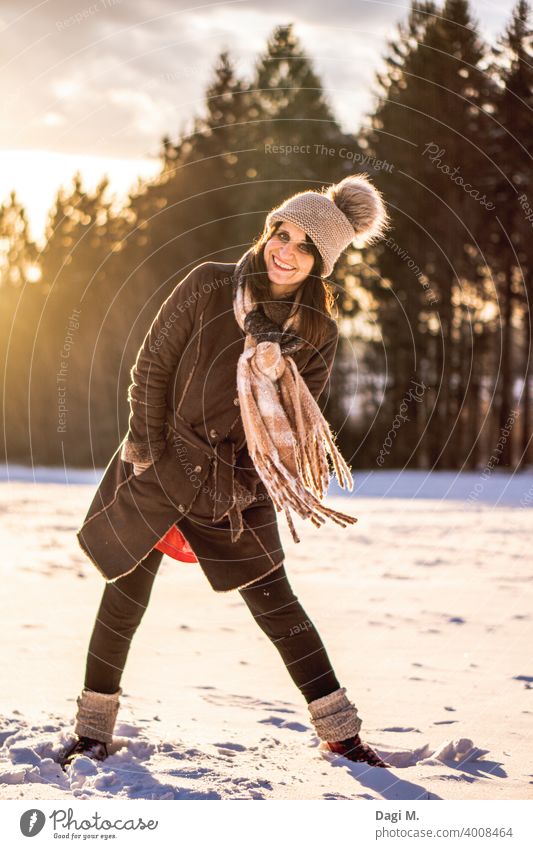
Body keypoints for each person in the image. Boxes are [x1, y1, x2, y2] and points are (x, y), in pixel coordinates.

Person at [59, 173, 391, 771]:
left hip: (237, 483)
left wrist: (241, 486)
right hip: (157, 462)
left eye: (303, 245)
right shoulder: (209, 284)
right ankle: (91, 731)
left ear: (323, 263)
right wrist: (143, 446)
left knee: (278, 605)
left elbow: (292, 427)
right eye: (279, 233)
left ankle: (340, 733)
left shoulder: (314, 332)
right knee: (124, 596)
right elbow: (153, 367)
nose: (283, 249)